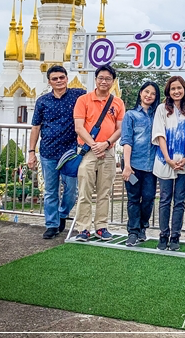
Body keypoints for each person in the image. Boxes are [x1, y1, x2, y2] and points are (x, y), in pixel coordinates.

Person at [27, 65, 86, 239]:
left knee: (71, 190)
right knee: (50, 191)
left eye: (62, 77)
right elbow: (35, 127)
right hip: (48, 151)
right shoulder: (43, 101)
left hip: (70, 152)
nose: (59, 81)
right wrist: (31, 151)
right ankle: (51, 224)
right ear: (49, 81)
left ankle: (62, 213)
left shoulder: (78, 95)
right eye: (55, 79)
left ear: (67, 78)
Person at [72, 64, 126, 242]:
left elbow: (120, 128)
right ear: (96, 80)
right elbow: (79, 127)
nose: (104, 81)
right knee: (85, 191)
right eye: (101, 78)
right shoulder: (84, 100)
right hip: (88, 151)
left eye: (108, 79)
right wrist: (95, 145)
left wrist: (107, 143)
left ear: (113, 81)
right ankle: (83, 228)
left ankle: (101, 226)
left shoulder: (117, 102)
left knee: (104, 192)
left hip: (108, 151)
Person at [152, 76, 185, 251]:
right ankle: (163, 235)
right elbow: (160, 134)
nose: (176, 91)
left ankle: (175, 236)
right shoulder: (162, 109)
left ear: (184, 89)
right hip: (165, 161)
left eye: (179, 88)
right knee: (164, 199)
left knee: (180, 200)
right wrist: (169, 159)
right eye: (173, 89)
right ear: (168, 92)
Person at [120, 80, 160, 247]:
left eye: (153, 93)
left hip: (151, 166)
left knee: (149, 198)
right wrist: (127, 166)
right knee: (133, 198)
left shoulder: (157, 114)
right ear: (140, 93)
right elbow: (127, 141)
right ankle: (133, 231)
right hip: (134, 166)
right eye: (146, 92)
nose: (149, 95)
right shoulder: (131, 115)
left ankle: (143, 226)